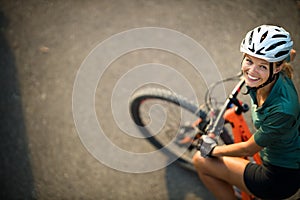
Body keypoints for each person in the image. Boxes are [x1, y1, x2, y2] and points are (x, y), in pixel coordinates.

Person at [192, 25, 300, 200]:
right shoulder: (276, 63)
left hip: (278, 177)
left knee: (199, 161)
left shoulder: (283, 111)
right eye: (249, 61)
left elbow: (249, 148)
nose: (251, 72)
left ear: (278, 67)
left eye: (262, 67)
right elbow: (291, 54)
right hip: (286, 146)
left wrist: (212, 150)